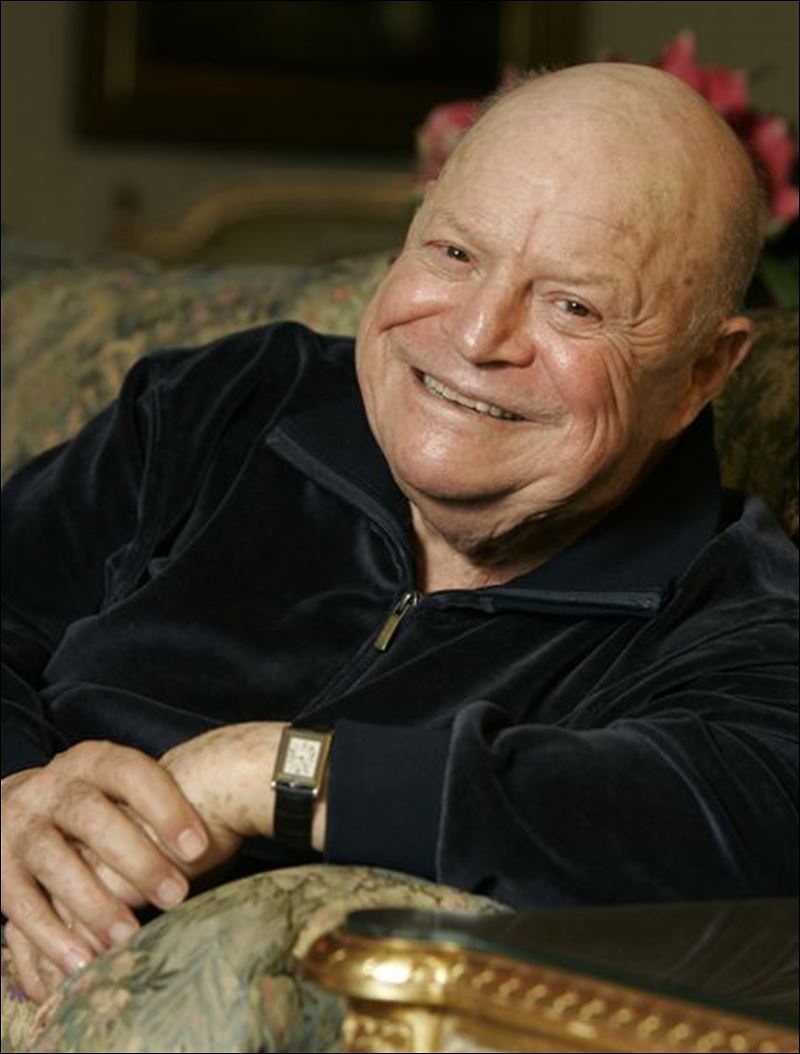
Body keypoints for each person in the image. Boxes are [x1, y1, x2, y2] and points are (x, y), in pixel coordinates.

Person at [2, 62, 797, 1006]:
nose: (477, 335)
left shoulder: (738, 613)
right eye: (455, 253)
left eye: (573, 305)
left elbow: (746, 819)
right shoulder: (231, 403)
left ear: (704, 371)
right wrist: (16, 796)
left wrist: (270, 774)